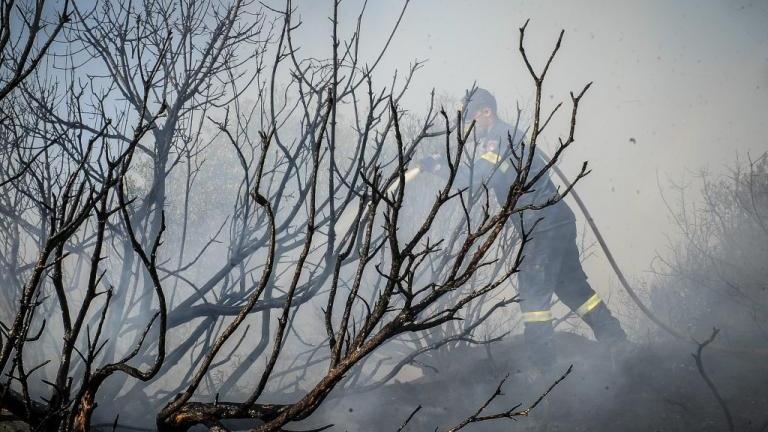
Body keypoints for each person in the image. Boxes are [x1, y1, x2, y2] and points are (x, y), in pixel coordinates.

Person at [418, 88, 626, 367]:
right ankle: (616, 341)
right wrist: (443, 161)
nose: (470, 124)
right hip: (557, 221)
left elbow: (474, 179)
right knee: (572, 289)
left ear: (486, 112)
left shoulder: (497, 138)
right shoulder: (509, 137)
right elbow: (482, 173)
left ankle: (543, 370)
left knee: (533, 295)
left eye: (472, 116)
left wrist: (435, 166)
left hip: (542, 225)